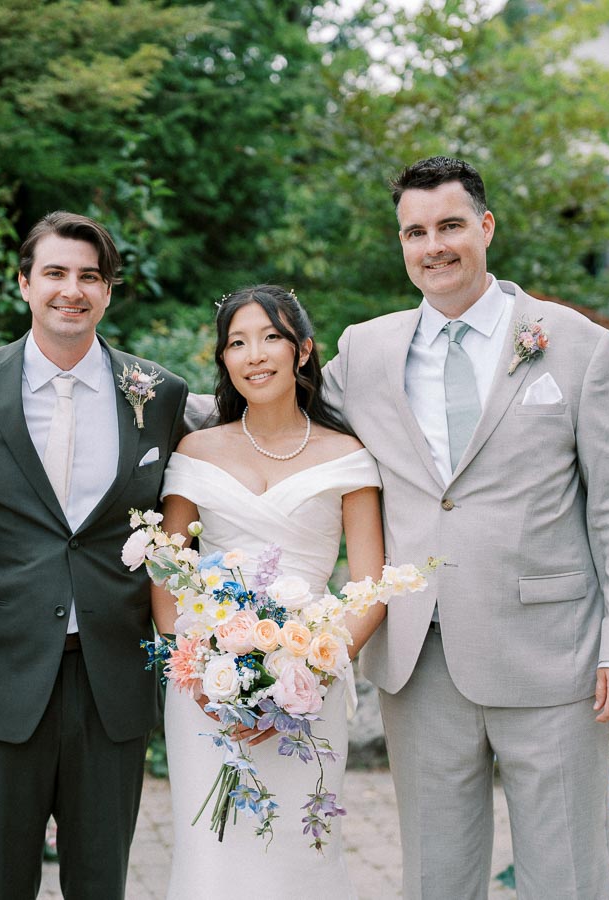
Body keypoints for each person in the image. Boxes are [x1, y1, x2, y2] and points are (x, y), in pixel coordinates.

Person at [320, 156, 609, 898]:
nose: (433, 246)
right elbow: (276, 415)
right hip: (421, 655)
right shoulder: (365, 350)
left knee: (564, 875)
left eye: (449, 226)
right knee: (435, 878)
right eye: (415, 231)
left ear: (486, 227)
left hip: (555, 656)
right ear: (401, 242)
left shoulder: (573, 342)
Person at [0, 210, 189, 899]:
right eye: (55, 273)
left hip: (112, 677)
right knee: (0, 883)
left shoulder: (159, 395)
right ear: (24, 283)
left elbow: (185, 514)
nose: (71, 290)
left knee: (100, 882)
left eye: (89, 277)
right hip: (0, 674)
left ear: (107, 292)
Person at [153, 285, 385, 898]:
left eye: (271, 337)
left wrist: (306, 667)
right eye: (237, 342)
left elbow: (369, 588)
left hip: (312, 685)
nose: (255, 354)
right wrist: (205, 675)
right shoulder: (195, 451)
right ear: (224, 360)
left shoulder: (348, 456)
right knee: (213, 855)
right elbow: (167, 583)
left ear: (303, 350)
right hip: (202, 689)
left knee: (301, 853)